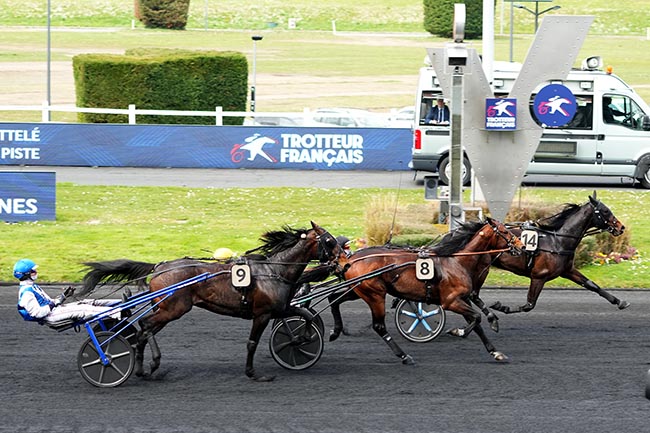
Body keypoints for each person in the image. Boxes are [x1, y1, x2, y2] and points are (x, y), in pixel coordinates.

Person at [15, 259, 121, 326]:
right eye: (33, 271)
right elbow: (38, 313)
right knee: (82, 309)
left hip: (55, 311)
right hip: (51, 317)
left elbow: (51, 302)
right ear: (26, 274)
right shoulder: (27, 293)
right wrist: (54, 303)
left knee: (84, 302)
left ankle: (119, 303)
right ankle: (115, 312)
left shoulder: (33, 287)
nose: (36, 273)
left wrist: (63, 296)